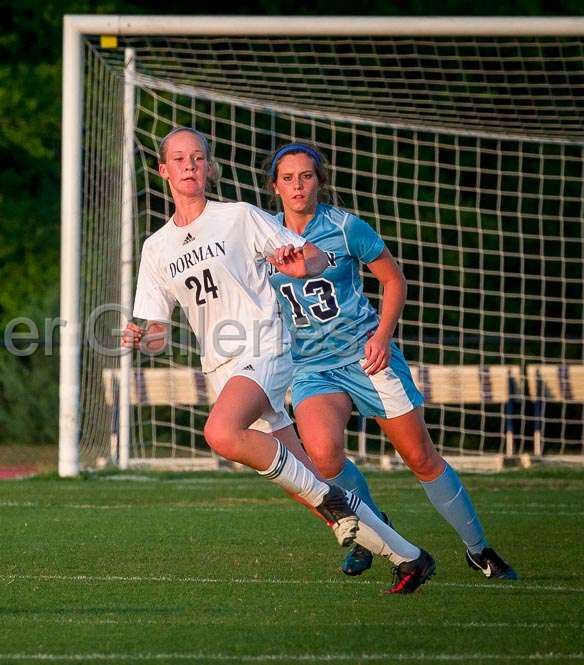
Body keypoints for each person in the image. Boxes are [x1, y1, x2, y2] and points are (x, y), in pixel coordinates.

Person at [122, 127, 435, 594]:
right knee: (304, 480)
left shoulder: (240, 217)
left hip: (264, 349)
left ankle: (339, 508)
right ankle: (407, 555)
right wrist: (140, 336)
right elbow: (159, 334)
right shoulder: (157, 247)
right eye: (180, 159)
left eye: (198, 157)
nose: (190, 165)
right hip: (223, 369)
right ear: (163, 170)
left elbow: (311, 257)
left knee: (220, 433)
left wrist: (302, 264)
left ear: (209, 167)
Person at [264, 142, 517, 580]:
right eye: (288, 178)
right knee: (323, 458)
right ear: (275, 186)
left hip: (366, 357)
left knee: (420, 457)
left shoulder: (346, 228)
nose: (297, 186)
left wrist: (382, 336)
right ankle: (376, 529)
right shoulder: (263, 234)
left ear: (320, 181)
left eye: (306, 176)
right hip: (311, 368)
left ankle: (479, 549)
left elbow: (393, 280)